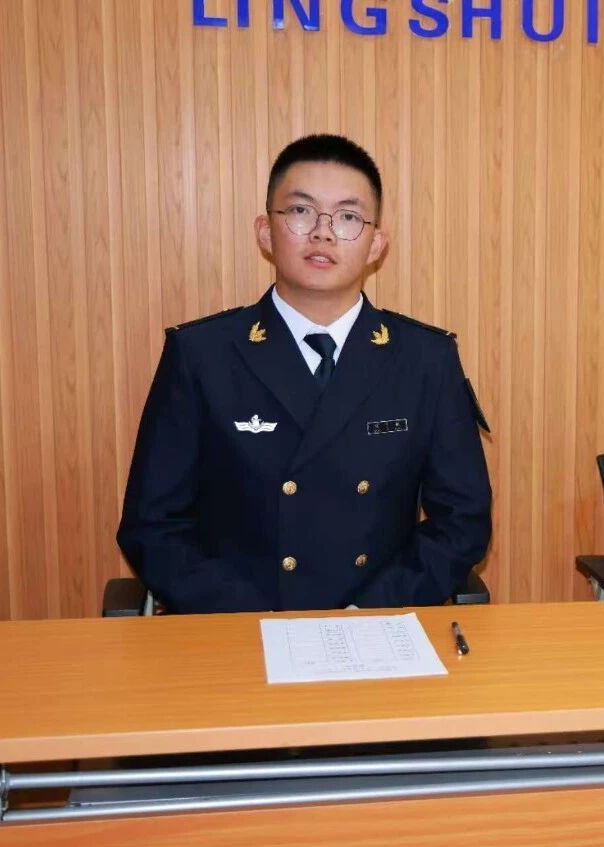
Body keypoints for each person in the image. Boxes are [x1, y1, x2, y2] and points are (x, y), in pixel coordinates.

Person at [117, 134, 492, 613]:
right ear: (264, 232)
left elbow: (461, 521)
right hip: (237, 625)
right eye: (301, 211)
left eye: (348, 217)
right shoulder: (201, 356)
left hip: (376, 623)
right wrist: (251, 617)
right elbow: (153, 526)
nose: (323, 233)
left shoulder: (425, 360)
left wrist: (372, 611)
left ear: (376, 245)